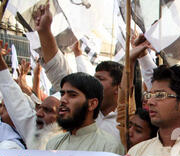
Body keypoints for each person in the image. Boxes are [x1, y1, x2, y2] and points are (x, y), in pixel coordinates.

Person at [33, 3, 122, 139]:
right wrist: (44, 32)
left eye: (100, 79)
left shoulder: (129, 121)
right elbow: (58, 69)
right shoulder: (80, 110)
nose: (94, 82)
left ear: (118, 88)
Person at [0, 40, 62, 150]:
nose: (39, 113)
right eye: (40, 108)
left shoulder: (74, 142)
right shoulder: (32, 129)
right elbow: (11, 91)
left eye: (48, 110)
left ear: (63, 117)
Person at [45, 72, 124, 155]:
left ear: (92, 104)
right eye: (62, 94)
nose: (62, 100)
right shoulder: (53, 144)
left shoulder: (109, 147)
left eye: (72, 95)